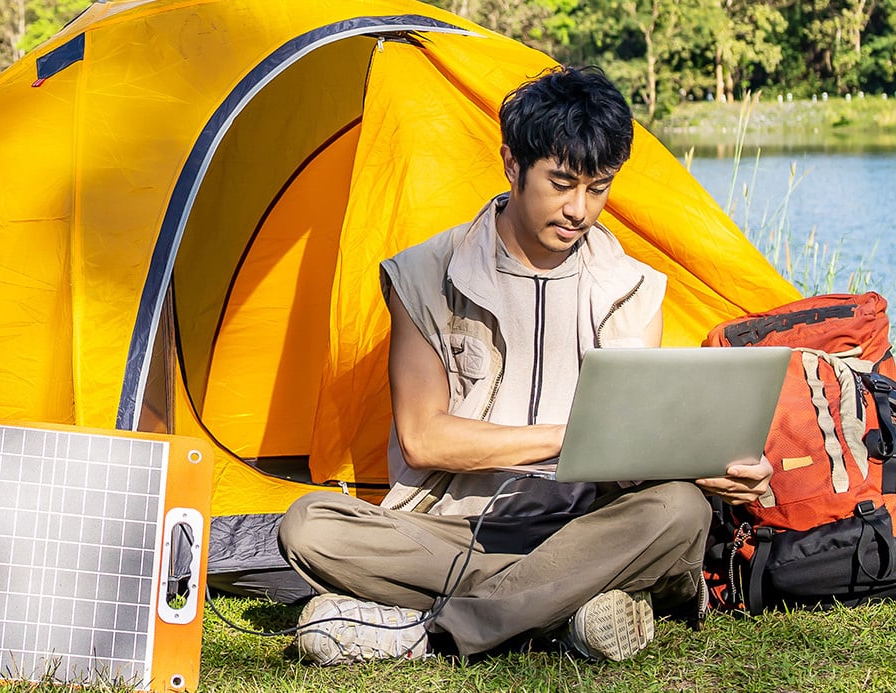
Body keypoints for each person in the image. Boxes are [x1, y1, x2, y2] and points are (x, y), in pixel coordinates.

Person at [275, 65, 775, 665]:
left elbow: (641, 455)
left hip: (588, 526)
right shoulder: (424, 275)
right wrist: (578, 438)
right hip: (456, 529)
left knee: (681, 510)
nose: (579, 210)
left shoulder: (634, 288)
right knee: (309, 524)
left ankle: (432, 633)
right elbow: (424, 439)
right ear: (512, 164)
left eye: (598, 188)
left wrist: (710, 468)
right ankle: (569, 606)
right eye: (561, 183)